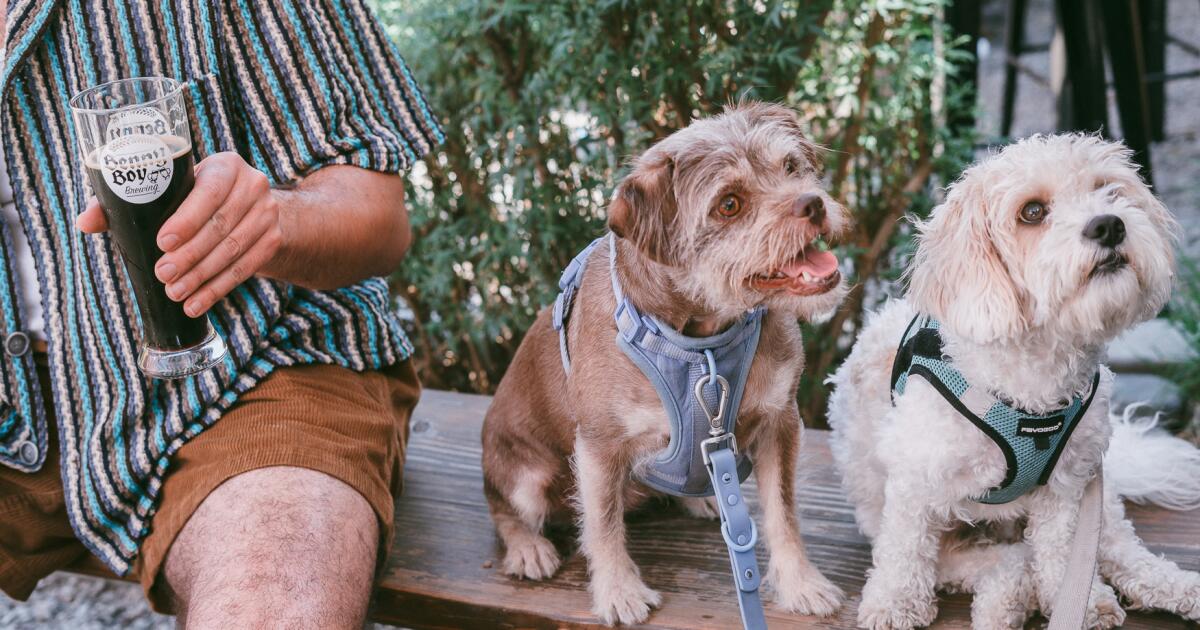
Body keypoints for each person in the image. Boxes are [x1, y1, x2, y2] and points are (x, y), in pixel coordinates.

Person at [0, 0, 441, 626]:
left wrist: (274, 221)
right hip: (13, 404)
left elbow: (381, 221)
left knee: (272, 599)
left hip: (253, 372)